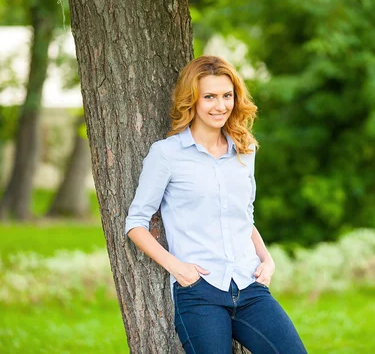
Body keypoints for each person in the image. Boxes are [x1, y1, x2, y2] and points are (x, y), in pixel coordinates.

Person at [125, 55, 307, 353]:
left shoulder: (244, 151)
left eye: (227, 96)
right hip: (200, 293)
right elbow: (135, 223)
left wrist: (267, 260)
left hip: (250, 289)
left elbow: (243, 217)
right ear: (192, 101)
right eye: (209, 97)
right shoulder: (167, 154)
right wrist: (179, 269)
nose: (220, 106)